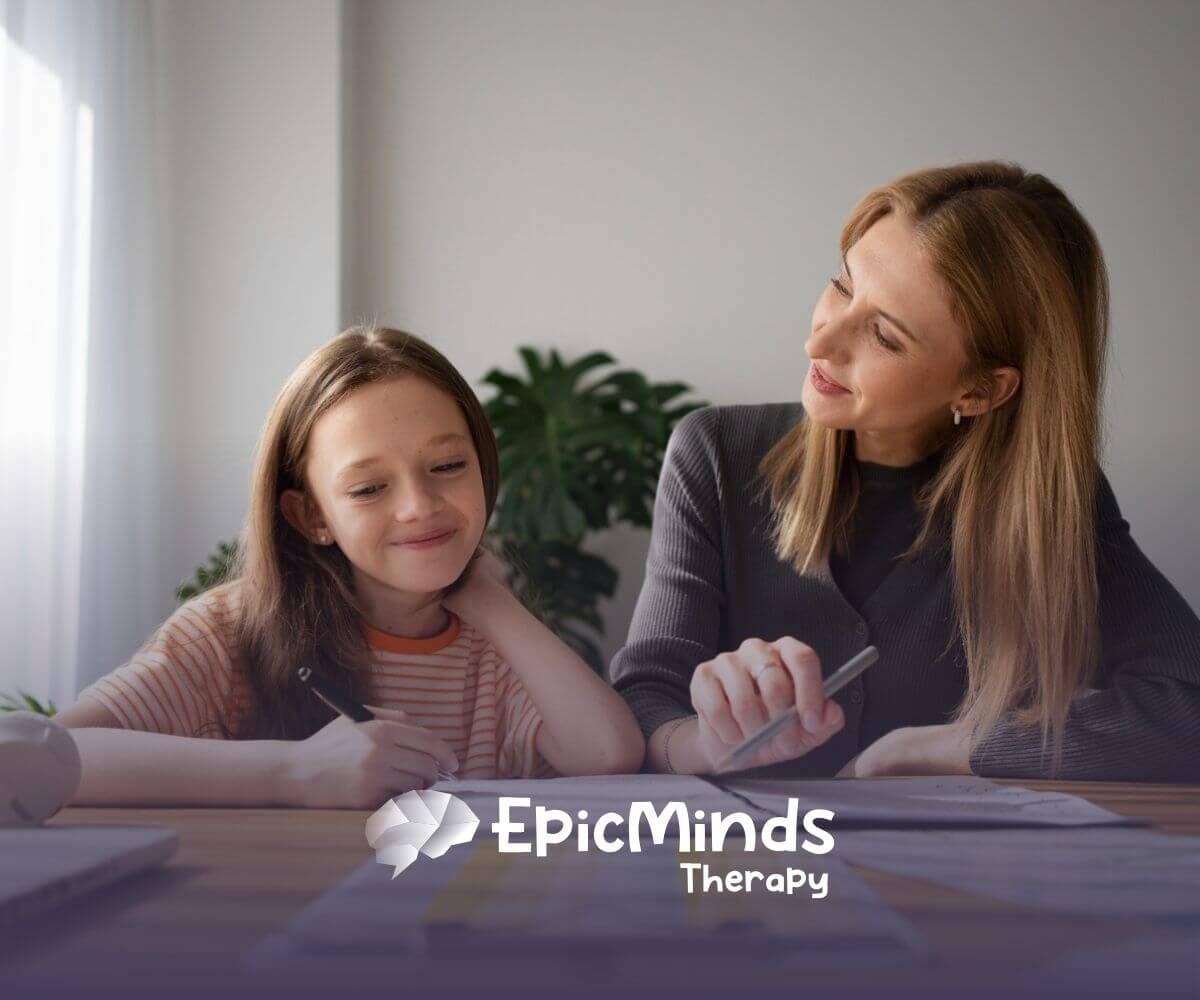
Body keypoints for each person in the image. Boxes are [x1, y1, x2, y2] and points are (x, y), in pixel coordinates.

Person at [611, 160, 1200, 782]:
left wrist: (945, 749)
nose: (821, 342)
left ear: (979, 390)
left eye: (884, 337)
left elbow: (1188, 709)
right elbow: (645, 702)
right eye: (842, 287)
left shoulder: (1049, 503)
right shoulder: (716, 454)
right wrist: (711, 745)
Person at [56, 327, 644, 807]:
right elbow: (42, 754)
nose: (419, 506)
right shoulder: (227, 632)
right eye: (368, 488)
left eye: (447, 466)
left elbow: (609, 754)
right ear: (311, 514)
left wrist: (491, 599)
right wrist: (292, 771)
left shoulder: (497, 649)